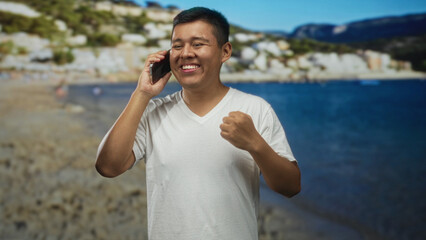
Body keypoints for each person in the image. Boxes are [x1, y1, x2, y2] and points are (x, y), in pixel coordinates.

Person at [95, 7, 301, 240]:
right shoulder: (152, 111)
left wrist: (255, 144)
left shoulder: (256, 109)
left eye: (198, 44)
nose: (185, 53)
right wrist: (142, 93)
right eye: (177, 45)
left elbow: (291, 186)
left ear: (225, 51)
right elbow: (108, 167)